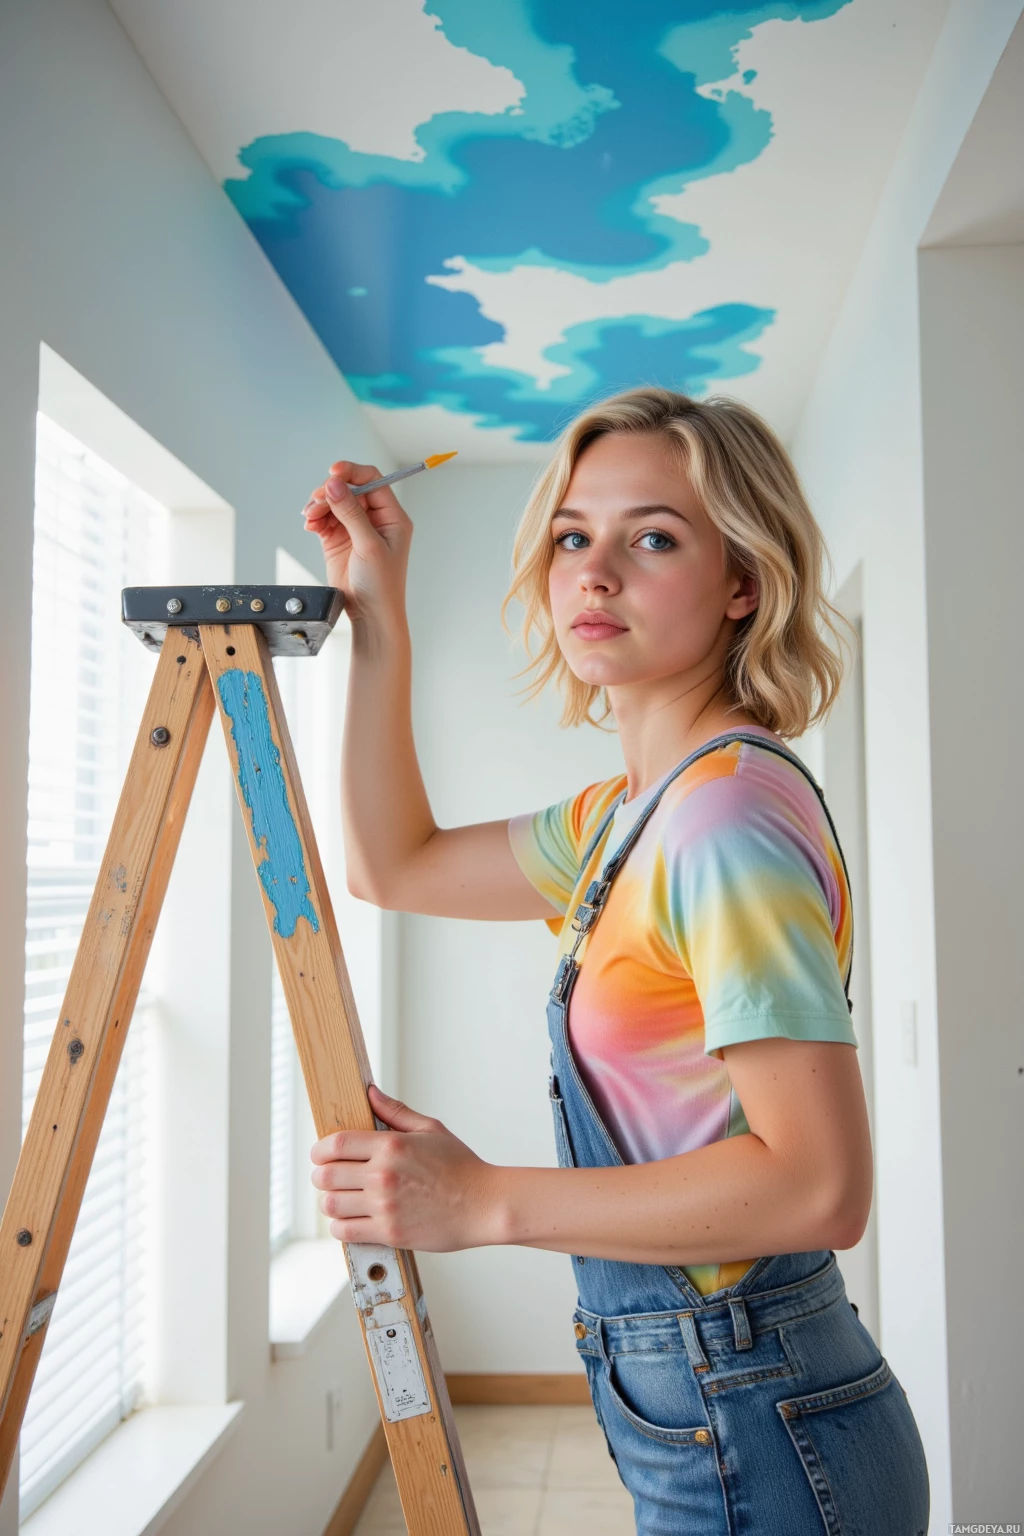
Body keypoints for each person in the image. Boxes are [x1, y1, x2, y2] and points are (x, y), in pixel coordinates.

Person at [300, 387, 929, 1535]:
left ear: (744, 581)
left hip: (762, 1416)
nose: (594, 574)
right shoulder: (631, 815)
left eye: (652, 537)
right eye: (571, 537)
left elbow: (820, 1187)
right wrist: (377, 602)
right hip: (714, 1399)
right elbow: (394, 863)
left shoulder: (722, 822)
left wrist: (484, 1201)